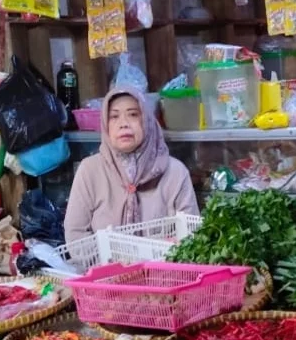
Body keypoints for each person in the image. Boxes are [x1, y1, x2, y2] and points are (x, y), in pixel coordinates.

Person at [64, 87, 198, 243]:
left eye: (133, 114)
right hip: (103, 266)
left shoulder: (175, 172)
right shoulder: (89, 170)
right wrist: (113, 262)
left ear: (147, 120)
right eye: (114, 116)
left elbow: (192, 235)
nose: (123, 124)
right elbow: (75, 234)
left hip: (164, 266)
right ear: (105, 125)